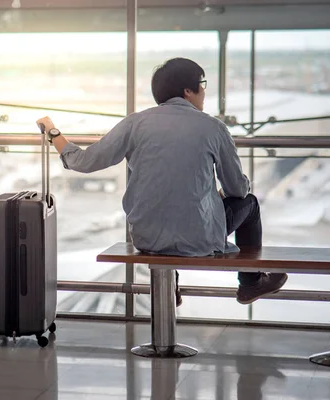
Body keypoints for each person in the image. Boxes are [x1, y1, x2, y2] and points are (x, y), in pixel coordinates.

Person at [36, 57, 287, 306]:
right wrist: (220, 194)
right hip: (198, 239)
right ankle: (250, 282)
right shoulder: (213, 128)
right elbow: (237, 189)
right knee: (250, 203)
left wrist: (52, 131)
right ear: (188, 91)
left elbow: (83, 162)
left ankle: (169, 289)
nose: (204, 92)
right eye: (202, 84)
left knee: (166, 204)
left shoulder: (135, 123)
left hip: (146, 238)